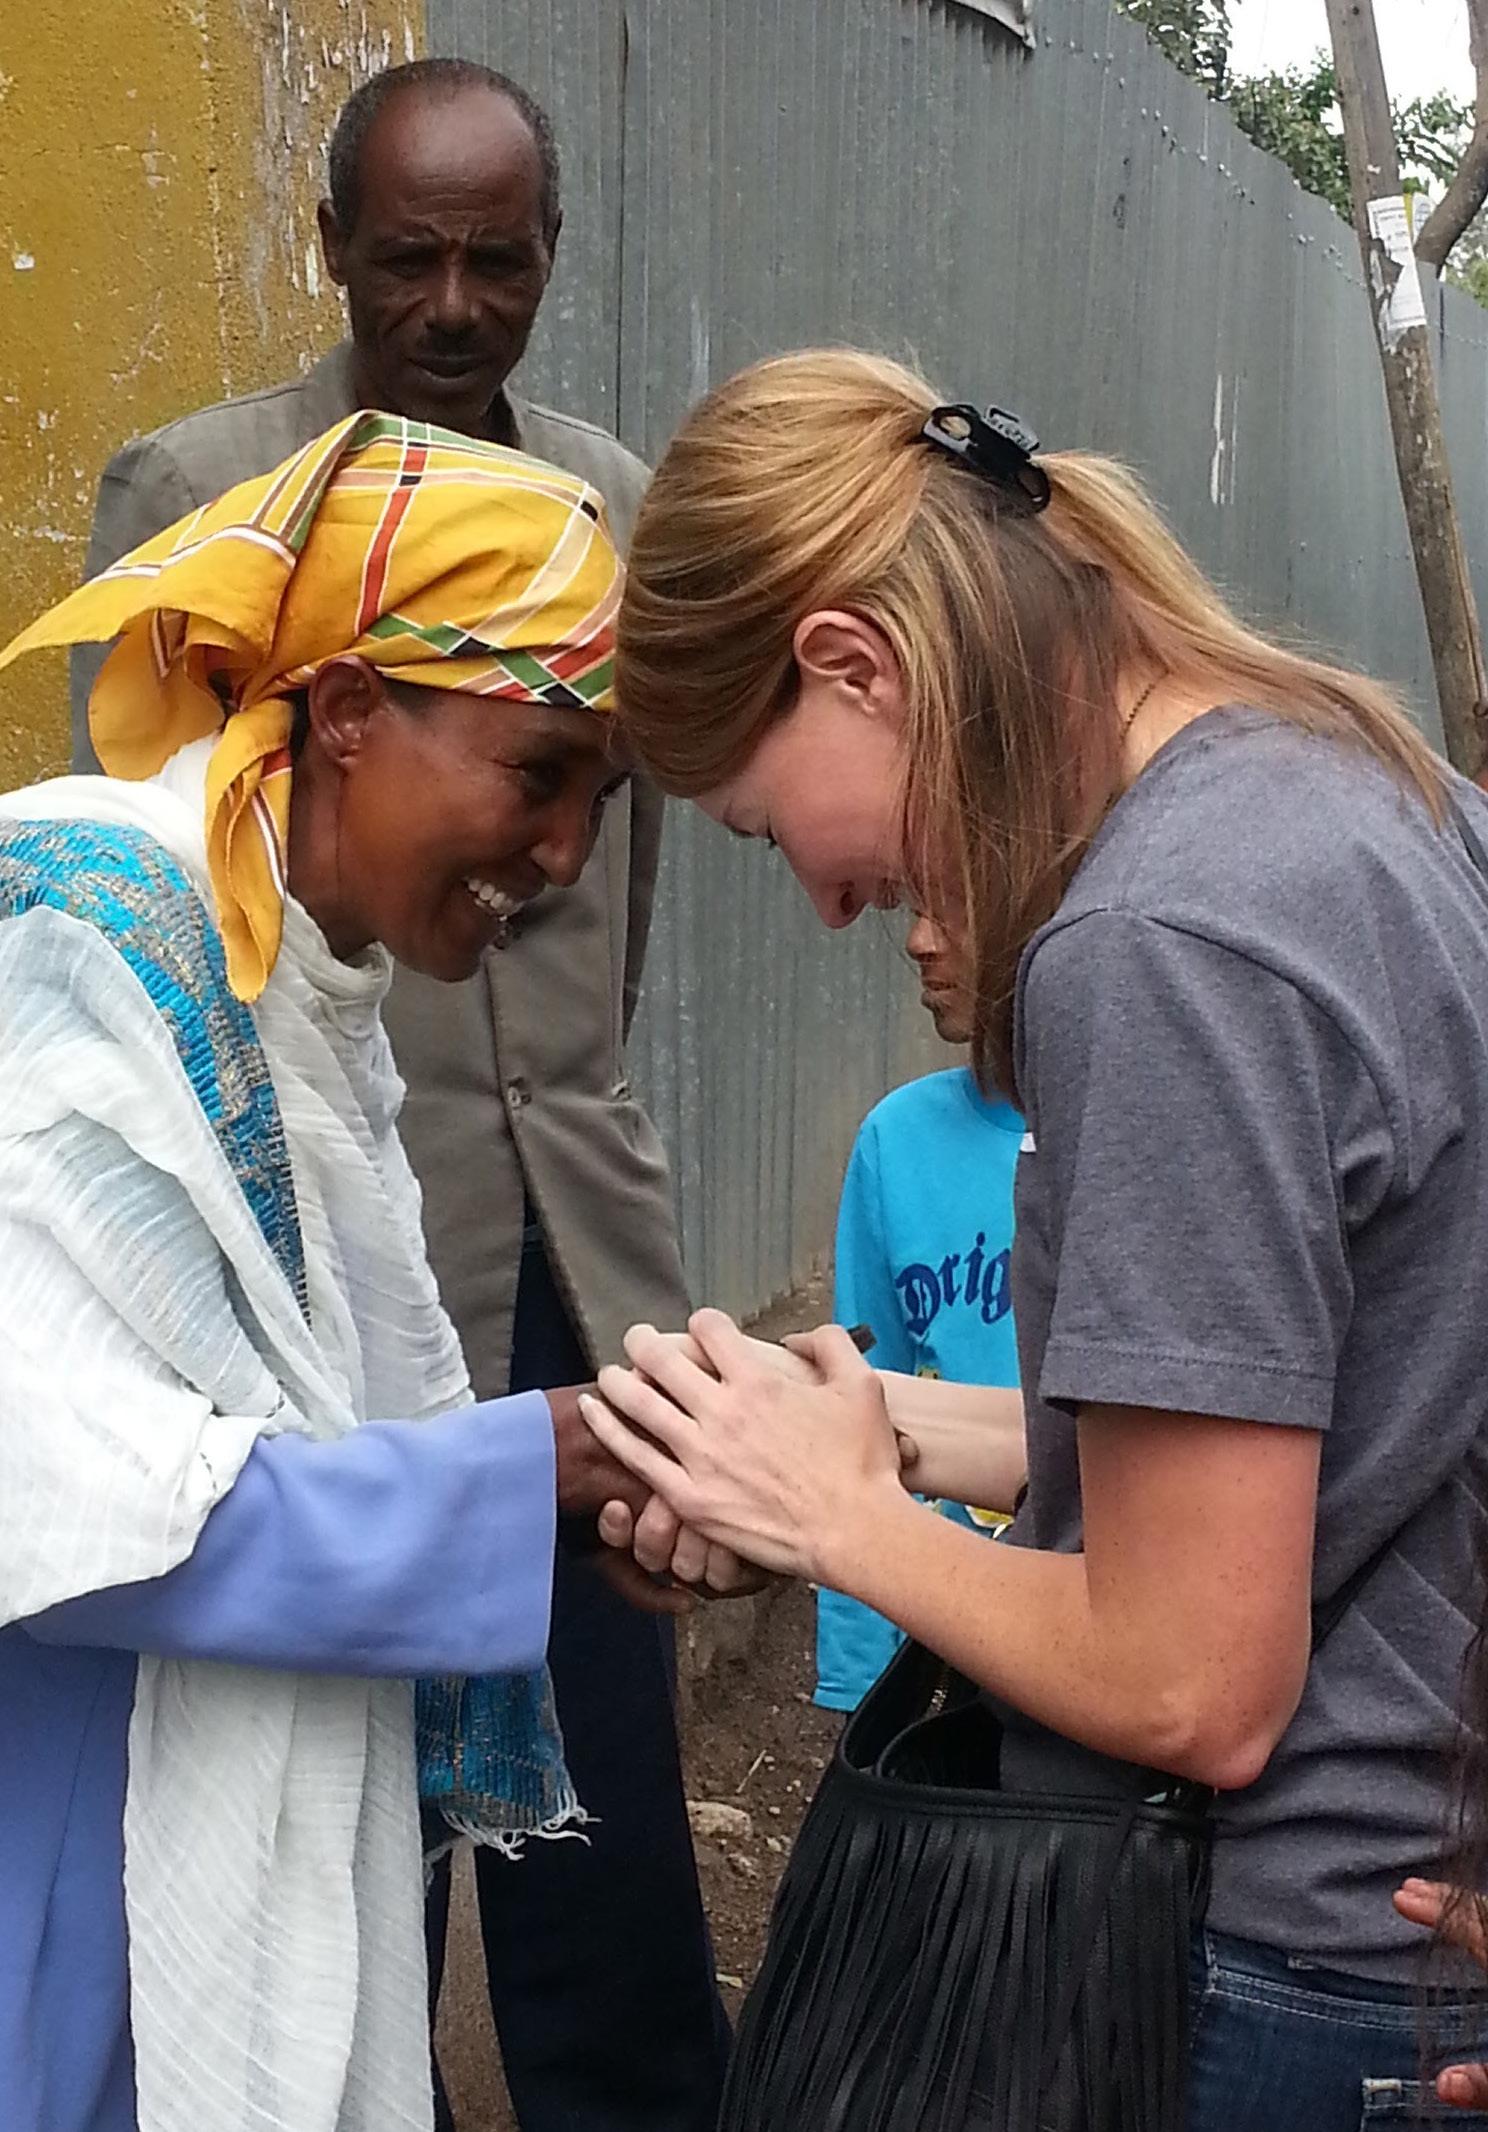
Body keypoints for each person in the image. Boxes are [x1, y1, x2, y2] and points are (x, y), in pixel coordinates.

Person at [583, 348, 1488, 2128]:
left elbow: (1188, 1673)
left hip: (1285, 1975)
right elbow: (1324, 1414)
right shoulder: (1363, 791)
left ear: (855, 663)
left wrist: (837, 1520)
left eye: (765, 823)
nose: (825, 897)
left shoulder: (1162, 940)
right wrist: (874, 1430)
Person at [68, 59, 729, 2132]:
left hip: (567, 1241)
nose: (453, 305)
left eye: (498, 263)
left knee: (601, 1781)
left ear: (551, 259)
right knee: (350, 1759)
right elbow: (161, 850)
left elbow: (612, 899)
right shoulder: (205, 489)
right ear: (334, 248)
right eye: (411, 258)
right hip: (317, 1231)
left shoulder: (611, 504)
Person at [815, 912, 1022, 1713]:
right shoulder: (898, 1141)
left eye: (959, 906)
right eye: (912, 904)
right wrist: (858, 1684)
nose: (919, 940)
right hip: (939, 1644)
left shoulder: (1148, 1143)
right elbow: (858, 1408)